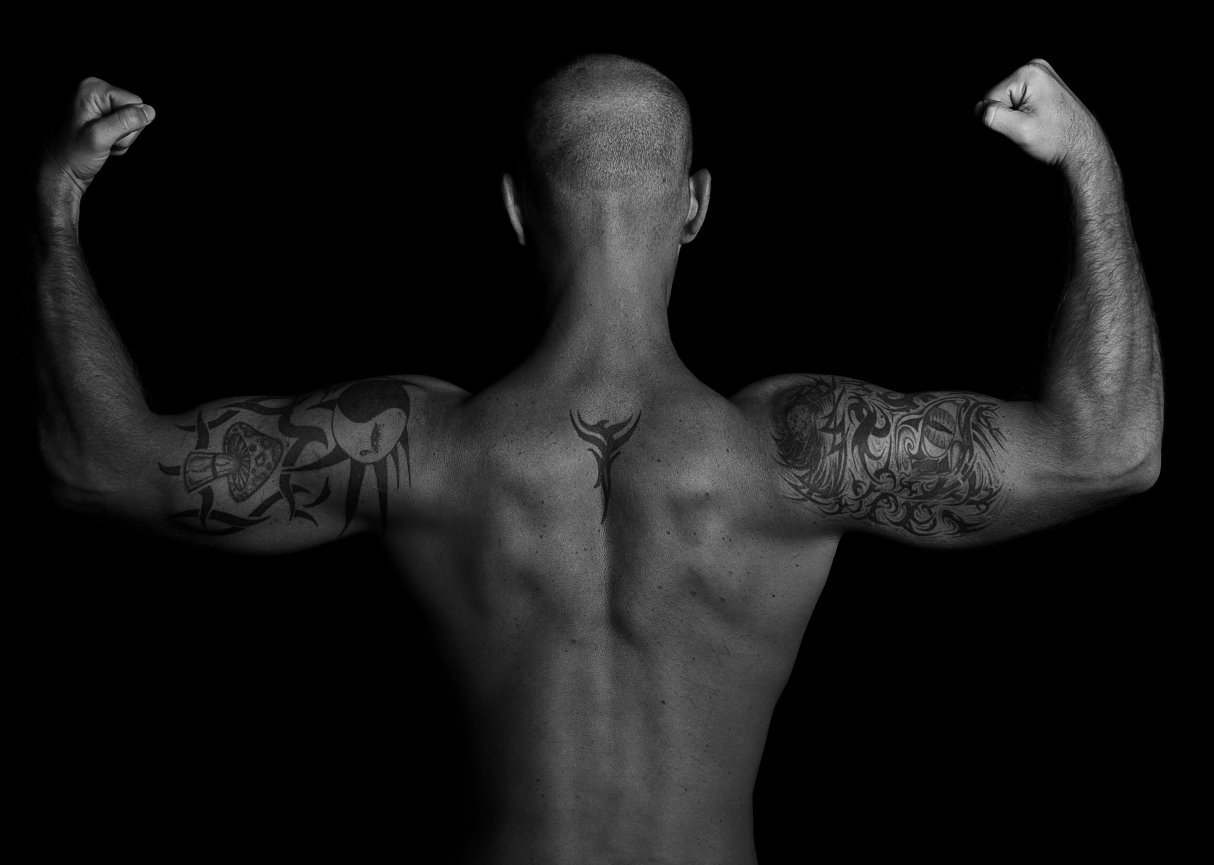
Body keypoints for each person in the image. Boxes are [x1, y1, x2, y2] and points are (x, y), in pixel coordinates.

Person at [33, 54, 1161, 864]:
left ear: (516, 212)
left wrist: (57, 203)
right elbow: (1110, 451)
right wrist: (1089, 164)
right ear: (694, 207)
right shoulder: (795, 453)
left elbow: (99, 466)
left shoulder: (417, 447)